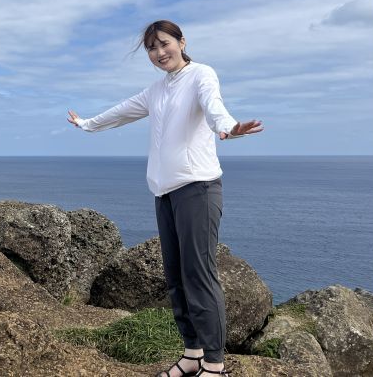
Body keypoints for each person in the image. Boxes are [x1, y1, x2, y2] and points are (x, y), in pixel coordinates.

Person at [68, 20, 262, 377]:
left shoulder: (201, 75)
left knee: (199, 274)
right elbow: (122, 111)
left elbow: (213, 104)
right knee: (175, 277)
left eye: (164, 44)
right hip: (164, 192)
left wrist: (228, 128)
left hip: (198, 189)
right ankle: (192, 354)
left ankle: (215, 365)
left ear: (181, 42)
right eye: (152, 49)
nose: (159, 53)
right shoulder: (155, 90)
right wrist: (86, 124)